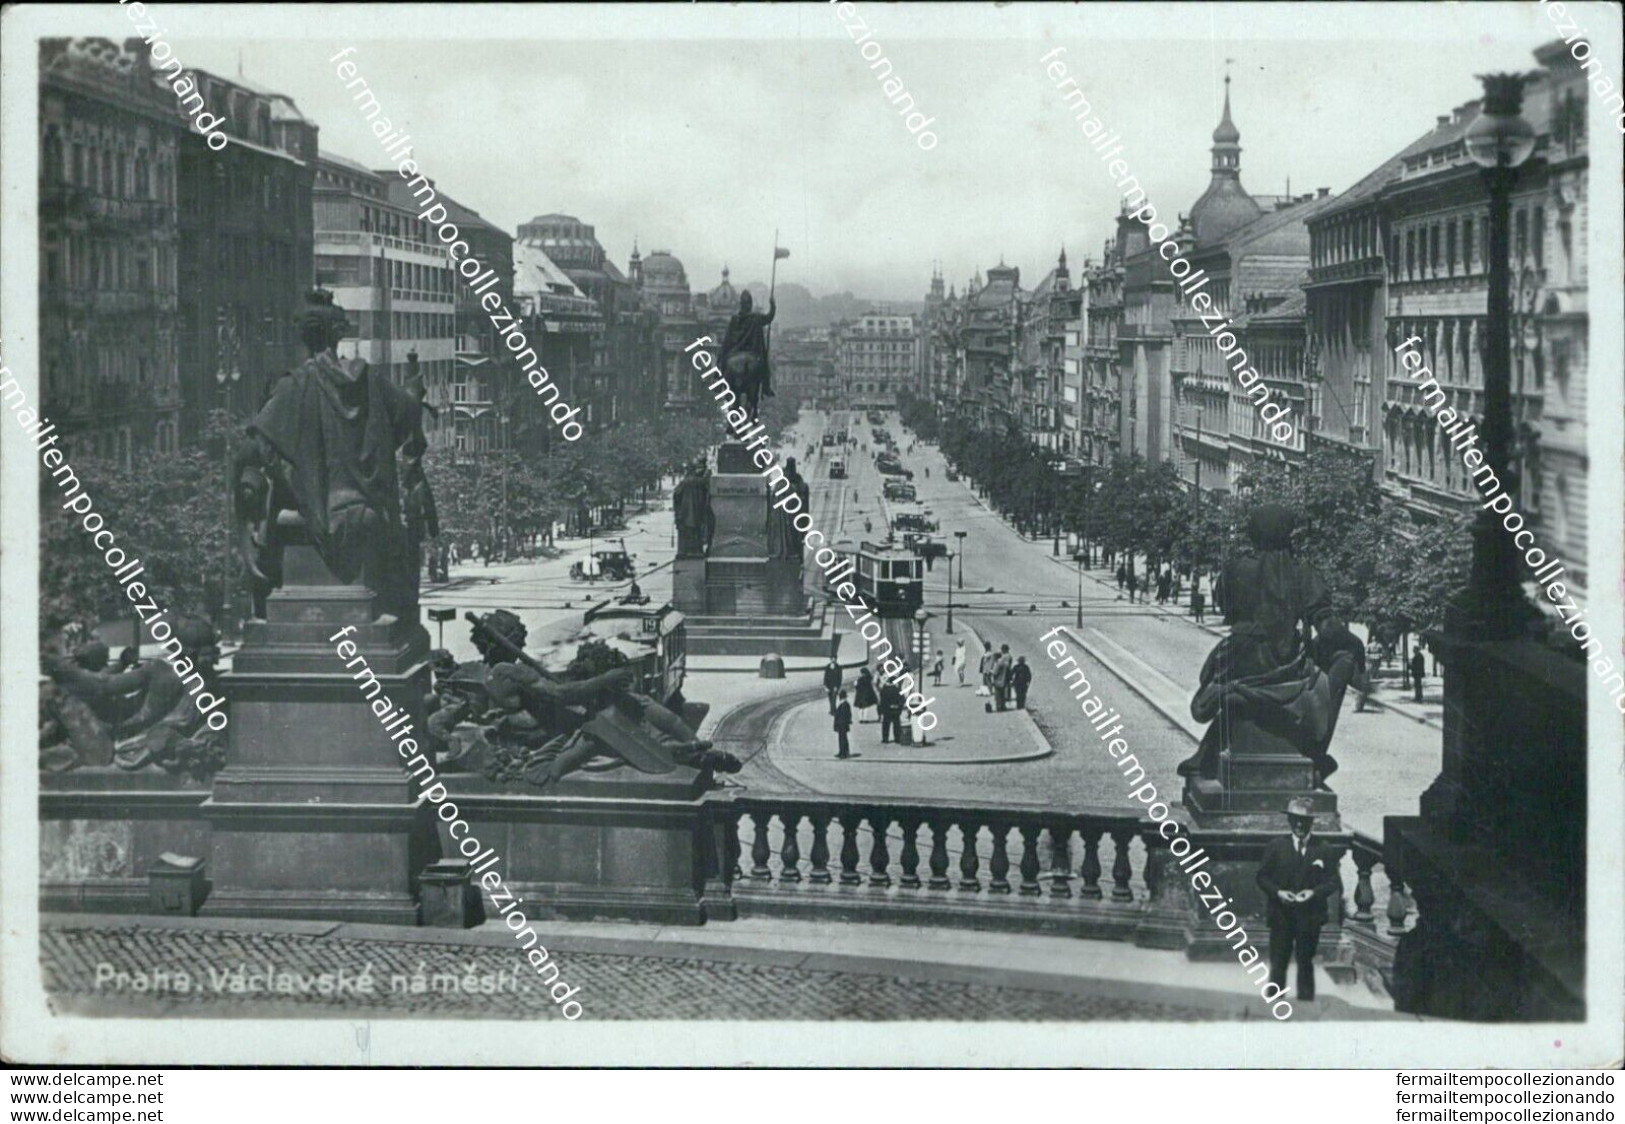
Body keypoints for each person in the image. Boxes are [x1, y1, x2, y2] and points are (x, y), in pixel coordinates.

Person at [1255, 797, 1339, 1002]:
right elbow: (1262, 877)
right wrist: (1278, 893)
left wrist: (1313, 893)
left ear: (1312, 822)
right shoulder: (1276, 846)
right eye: (1295, 820)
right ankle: (1273, 1005)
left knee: (1305, 962)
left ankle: (1305, 1007)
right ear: (1289, 821)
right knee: (1278, 963)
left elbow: (1333, 881)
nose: (1299, 825)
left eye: (1304, 820)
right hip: (1281, 916)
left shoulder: (1323, 849)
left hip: (1309, 917)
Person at [878, 677, 905, 744]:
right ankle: (897, 738)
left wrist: (881, 710)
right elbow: (902, 700)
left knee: (886, 724)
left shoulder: (884, 690)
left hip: (887, 710)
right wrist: (899, 707)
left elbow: (882, 701)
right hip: (895, 709)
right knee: (896, 724)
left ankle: (885, 738)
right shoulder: (898, 690)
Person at [992, 644, 1013, 712]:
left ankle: (999, 706)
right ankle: (1003, 705)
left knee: (998, 694)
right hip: (1004, 679)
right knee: (1003, 693)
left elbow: (995, 672)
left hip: (998, 680)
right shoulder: (1007, 659)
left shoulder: (998, 663)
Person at [833, 689, 853, 759]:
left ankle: (844, 753)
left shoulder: (844, 705)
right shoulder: (845, 704)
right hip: (842, 725)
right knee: (842, 739)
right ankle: (842, 752)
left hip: (842, 725)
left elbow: (843, 716)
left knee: (843, 739)